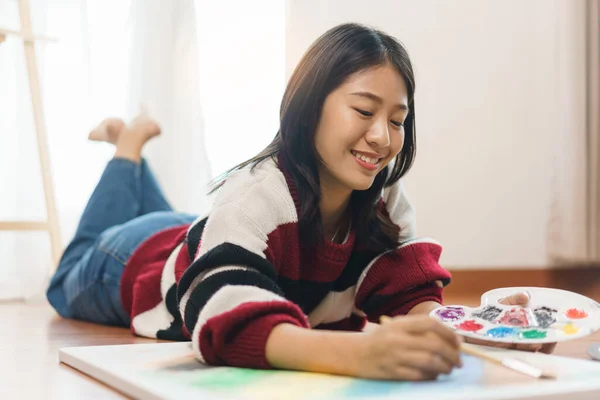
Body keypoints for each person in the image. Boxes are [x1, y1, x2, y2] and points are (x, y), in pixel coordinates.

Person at [47, 23, 554, 382]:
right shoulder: (255, 193)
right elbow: (224, 313)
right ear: (310, 106)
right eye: (363, 110)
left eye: (397, 121)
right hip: (131, 263)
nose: (381, 136)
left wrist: (477, 330)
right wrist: (353, 354)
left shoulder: (383, 199)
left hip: (205, 236)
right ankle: (128, 145)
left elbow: (407, 299)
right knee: (70, 265)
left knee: (185, 227)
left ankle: (130, 149)